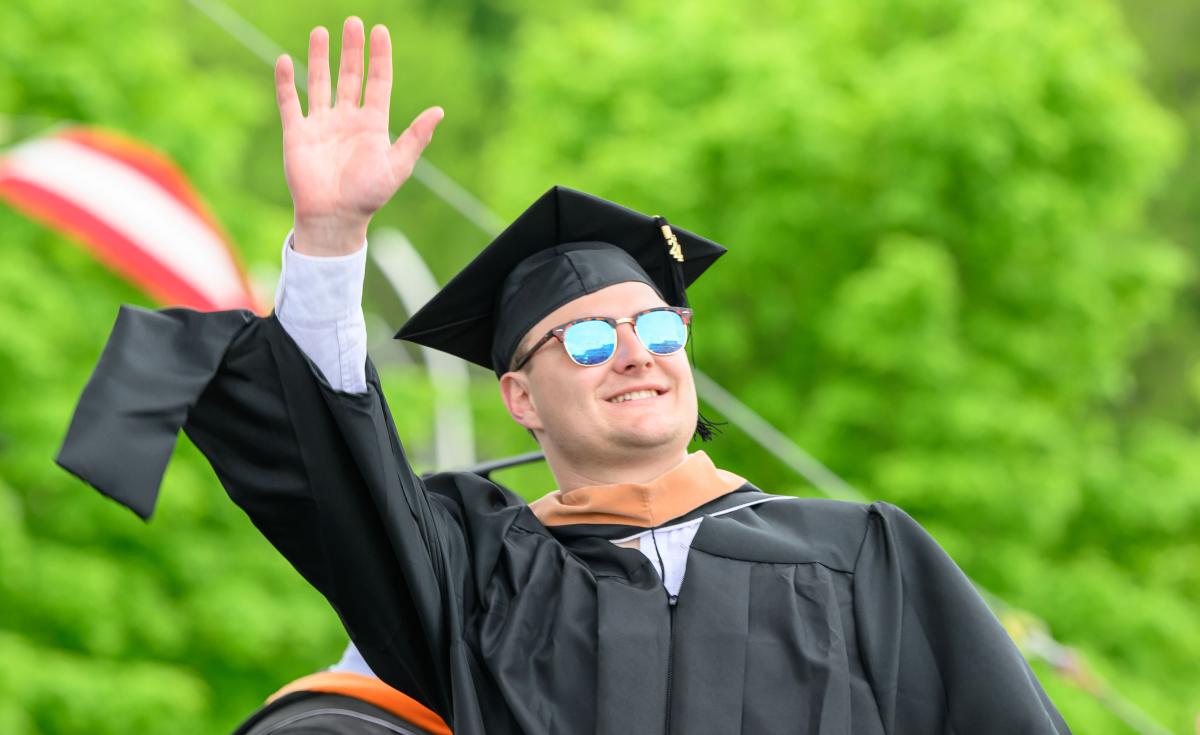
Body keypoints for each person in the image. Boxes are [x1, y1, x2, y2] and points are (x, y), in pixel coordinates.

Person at [57, 17, 1071, 735]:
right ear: (520, 396)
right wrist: (330, 238)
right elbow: (339, 476)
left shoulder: (863, 556)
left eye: (656, 329)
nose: (633, 352)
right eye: (586, 341)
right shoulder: (476, 572)